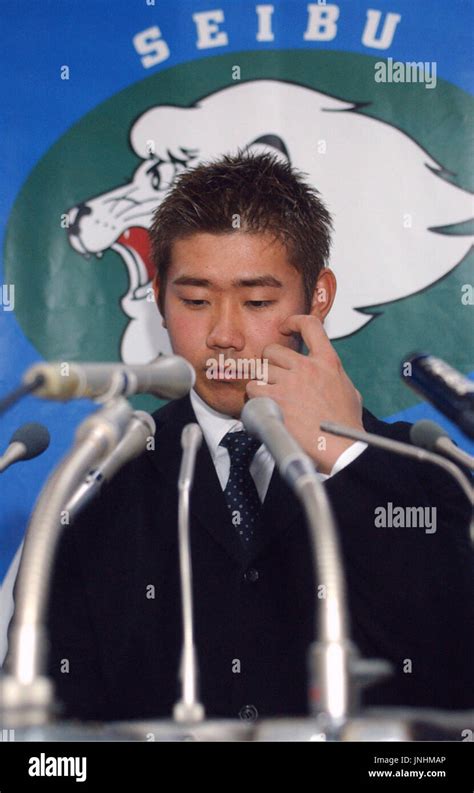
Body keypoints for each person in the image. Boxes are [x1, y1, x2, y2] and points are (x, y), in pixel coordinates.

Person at [26, 151, 474, 722]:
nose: (224, 335)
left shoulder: (426, 473)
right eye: (195, 301)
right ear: (158, 295)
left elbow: (454, 676)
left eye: (258, 301)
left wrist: (345, 458)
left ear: (318, 297)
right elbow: (53, 732)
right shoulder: (96, 487)